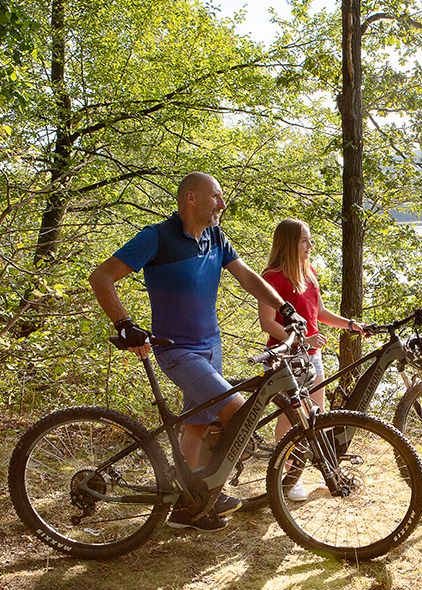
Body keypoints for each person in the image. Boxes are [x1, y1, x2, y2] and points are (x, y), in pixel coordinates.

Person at [89, 172, 305, 532]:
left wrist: (284, 307)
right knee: (238, 412)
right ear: (191, 198)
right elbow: (101, 277)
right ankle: (209, 489)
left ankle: (187, 509)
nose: (222, 204)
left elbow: (247, 277)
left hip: (211, 345)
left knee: (197, 424)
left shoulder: (216, 237)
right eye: (216, 196)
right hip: (177, 351)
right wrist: (124, 324)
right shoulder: (157, 237)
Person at [258, 218, 366, 501]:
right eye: (304, 240)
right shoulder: (271, 278)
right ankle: (288, 478)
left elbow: (320, 314)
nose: (310, 246)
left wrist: (350, 325)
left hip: (312, 357)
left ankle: (327, 472)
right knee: (291, 420)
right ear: (289, 243)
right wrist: (302, 340)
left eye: (309, 240)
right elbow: (267, 322)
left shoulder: (310, 273)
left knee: (318, 418)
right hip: (286, 359)